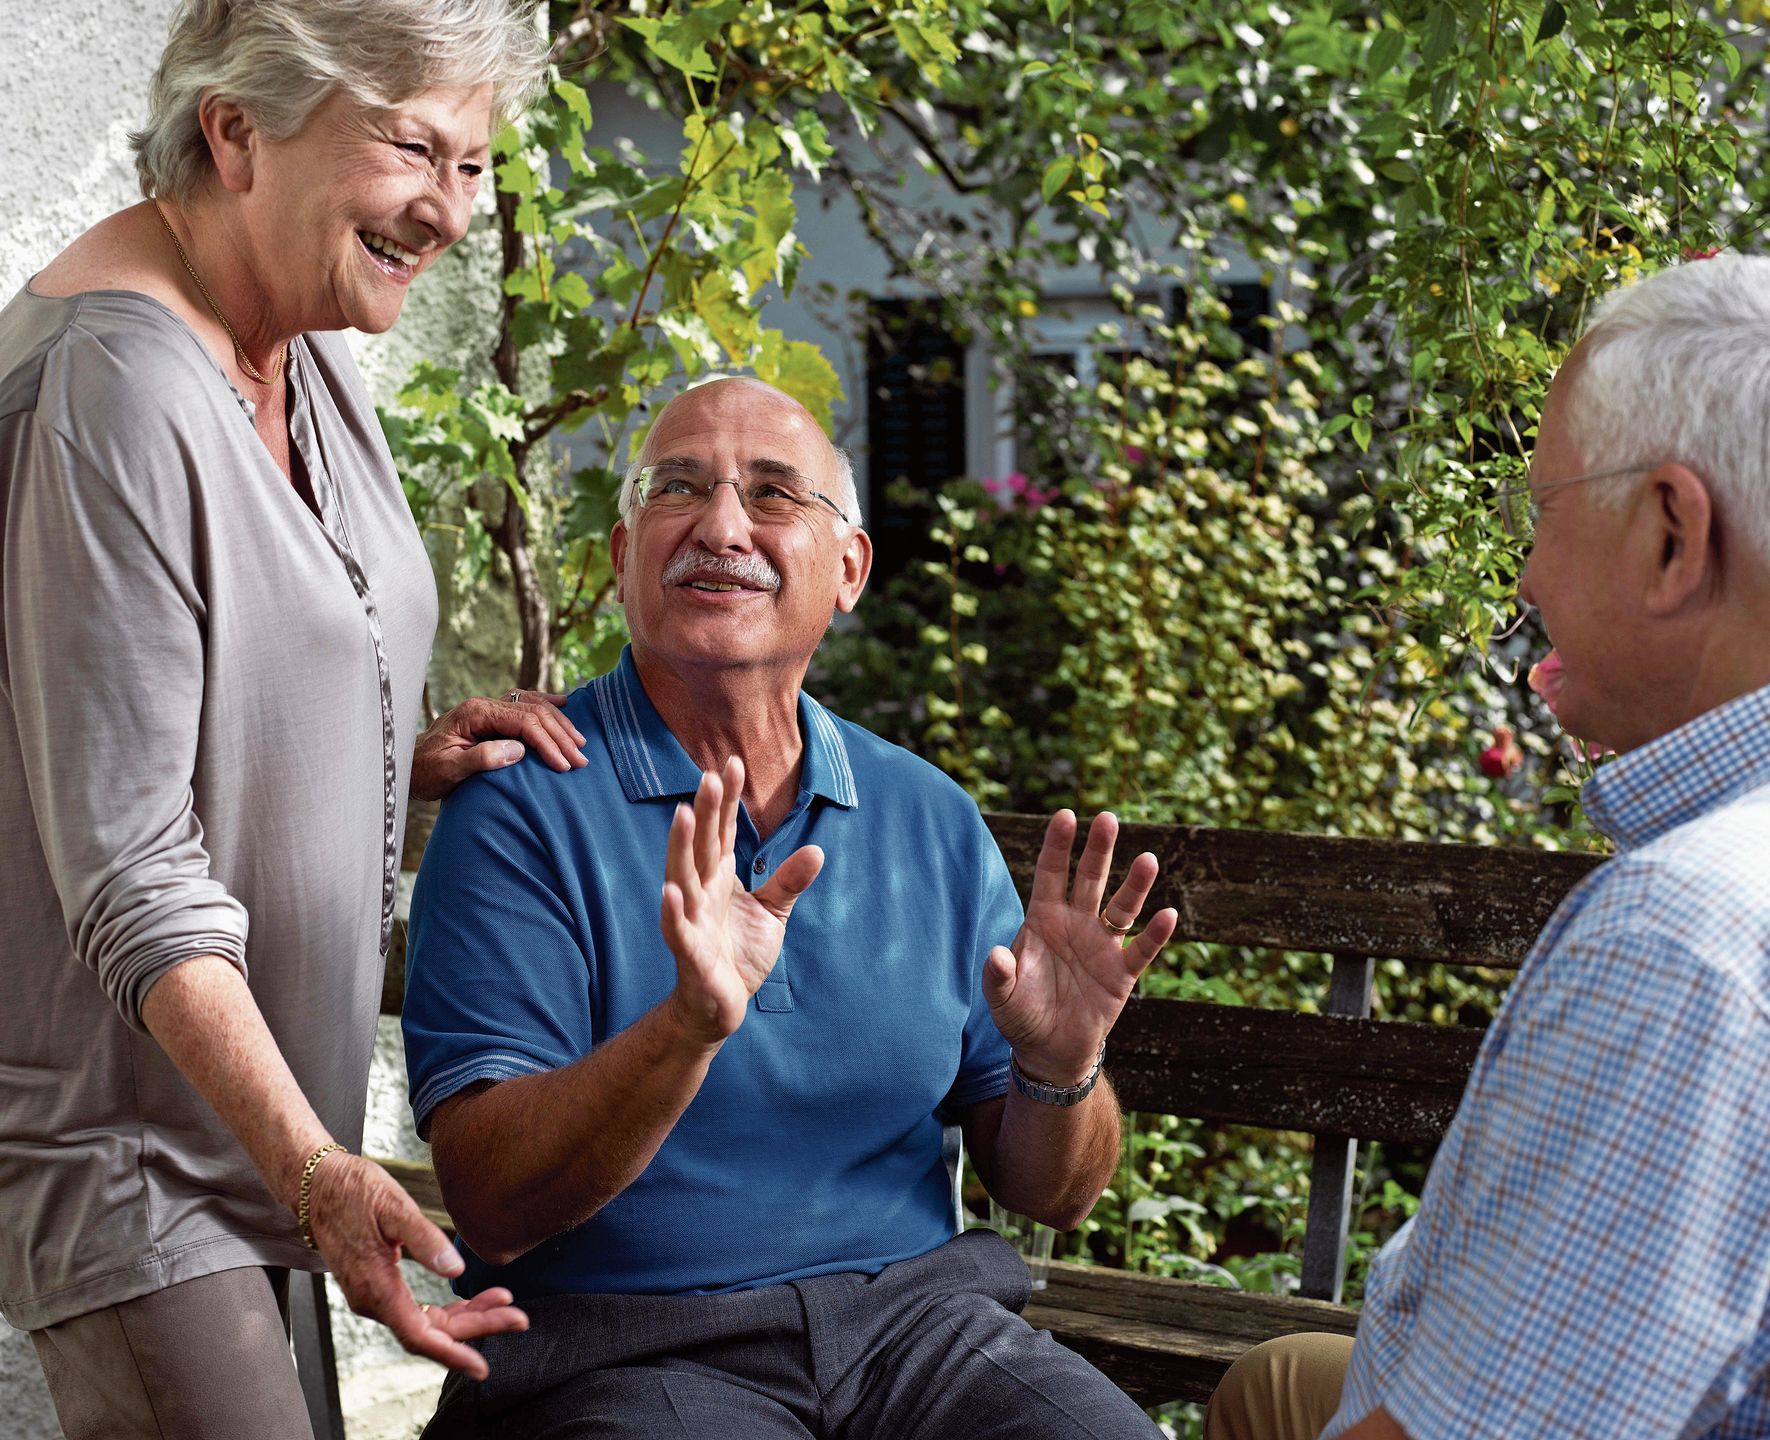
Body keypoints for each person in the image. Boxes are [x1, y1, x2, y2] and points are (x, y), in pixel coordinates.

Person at [401, 375, 1182, 1439]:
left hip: (919, 1335)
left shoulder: (929, 818)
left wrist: (1060, 1071)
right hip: (628, 1349)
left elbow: (1056, 1194)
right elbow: (491, 1198)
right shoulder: (522, 805)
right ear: (626, 553)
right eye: (677, 488)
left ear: (848, 568)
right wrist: (685, 1032)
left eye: (773, 494)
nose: (721, 526)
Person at [0, 3, 580, 1435]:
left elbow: (235, 665)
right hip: (137, 1154)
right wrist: (319, 1173)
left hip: (265, 1142)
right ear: (237, 131)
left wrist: (385, 749)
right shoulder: (111, 392)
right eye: (412, 150)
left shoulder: (298, 335)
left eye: (475, 166)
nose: (447, 209)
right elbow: (128, 864)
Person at [1204, 256, 1770, 1439]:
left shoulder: (1679, 941)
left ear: (1673, 535)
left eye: (1545, 513)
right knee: (1276, 1383)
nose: (1522, 579)